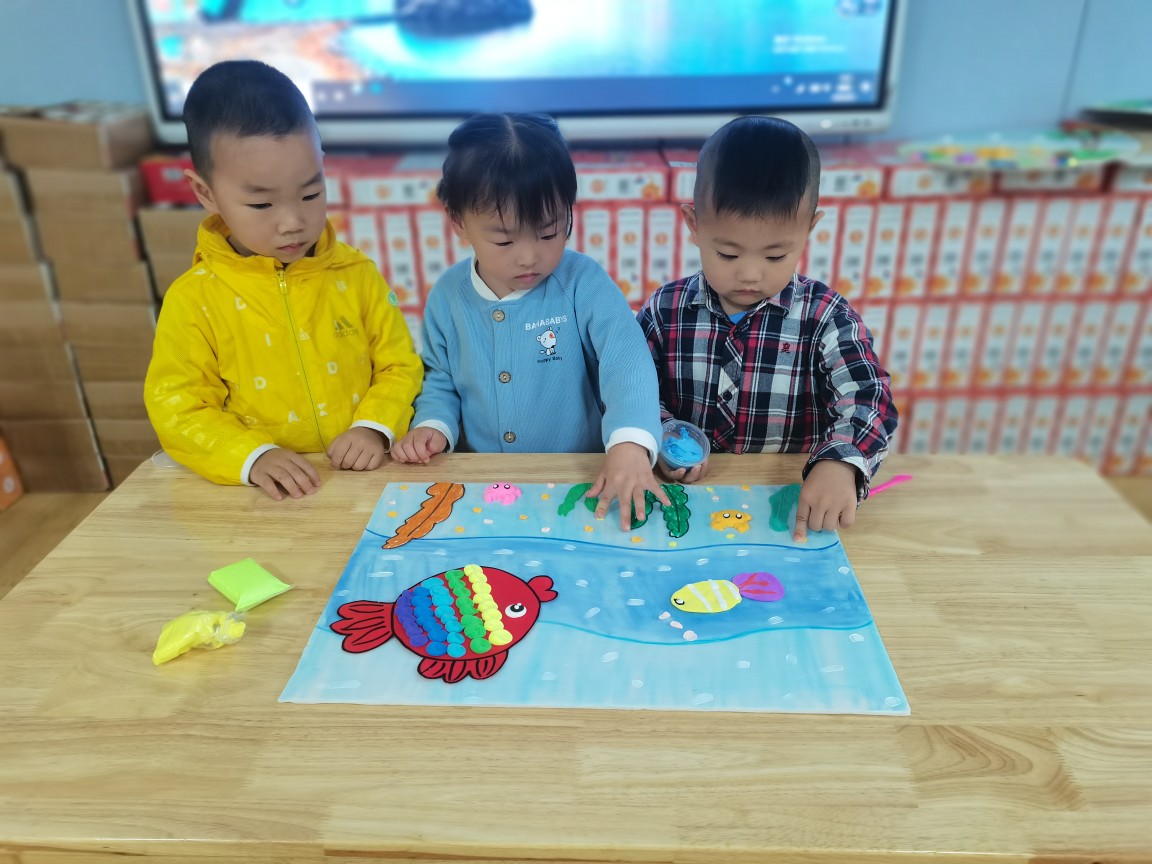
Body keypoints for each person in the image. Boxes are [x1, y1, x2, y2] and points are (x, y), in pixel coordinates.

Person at [145, 60, 422, 500]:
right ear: (205, 193)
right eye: (262, 205)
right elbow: (178, 407)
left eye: (311, 193)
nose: (293, 221)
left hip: (365, 483)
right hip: (261, 497)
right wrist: (252, 456)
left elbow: (399, 364)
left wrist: (374, 427)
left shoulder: (356, 274)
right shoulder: (193, 299)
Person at [392, 113, 667, 529]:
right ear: (459, 223)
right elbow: (440, 379)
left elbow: (627, 362)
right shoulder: (447, 295)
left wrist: (629, 443)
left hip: (579, 480)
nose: (529, 257)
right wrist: (433, 425)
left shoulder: (583, 282)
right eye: (504, 240)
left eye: (549, 233)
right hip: (483, 486)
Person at [637, 116, 898, 542]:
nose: (750, 274)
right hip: (683, 506)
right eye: (728, 253)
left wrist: (840, 462)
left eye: (775, 256)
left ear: (809, 229)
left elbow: (869, 396)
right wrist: (659, 432)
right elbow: (628, 386)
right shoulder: (666, 309)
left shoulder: (825, 316)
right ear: (694, 225)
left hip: (786, 508)